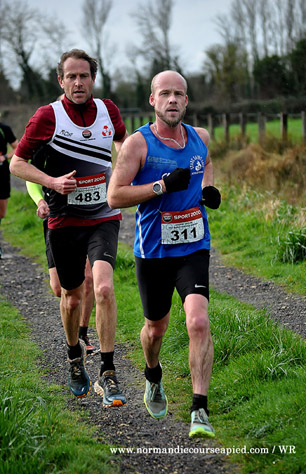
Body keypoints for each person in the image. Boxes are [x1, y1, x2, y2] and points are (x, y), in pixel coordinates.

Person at [10, 49, 128, 407]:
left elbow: (122, 140)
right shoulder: (48, 116)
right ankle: (75, 357)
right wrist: (51, 181)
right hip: (63, 220)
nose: (79, 83)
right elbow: (17, 162)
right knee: (71, 295)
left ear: (93, 78)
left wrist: (122, 163)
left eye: (85, 76)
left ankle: (108, 372)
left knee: (104, 287)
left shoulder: (108, 110)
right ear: (61, 81)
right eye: (71, 77)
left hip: (103, 215)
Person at [107, 70, 221, 438]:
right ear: (152, 100)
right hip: (154, 251)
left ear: (187, 101)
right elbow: (115, 196)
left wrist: (209, 190)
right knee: (156, 329)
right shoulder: (137, 145)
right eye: (165, 94)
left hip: (194, 246)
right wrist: (159, 186)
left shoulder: (200, 138)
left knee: (198, 322)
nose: (173, 100)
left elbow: (204, 168)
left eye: (179, 94)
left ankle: (199, 410)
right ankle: (152, 375)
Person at [26, 180, 97, 354]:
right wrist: (40, 201)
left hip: (88, 215)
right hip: (57, 217)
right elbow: (30, 174)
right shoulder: (51, 152)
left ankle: (82, 335)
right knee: (59, 289)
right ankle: (72, 333)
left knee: (88, 278)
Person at [0, 121, 19, 258]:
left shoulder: (4, 129)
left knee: (1, 213)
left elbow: (17, 148)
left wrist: (5, 157)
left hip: (2, 174)